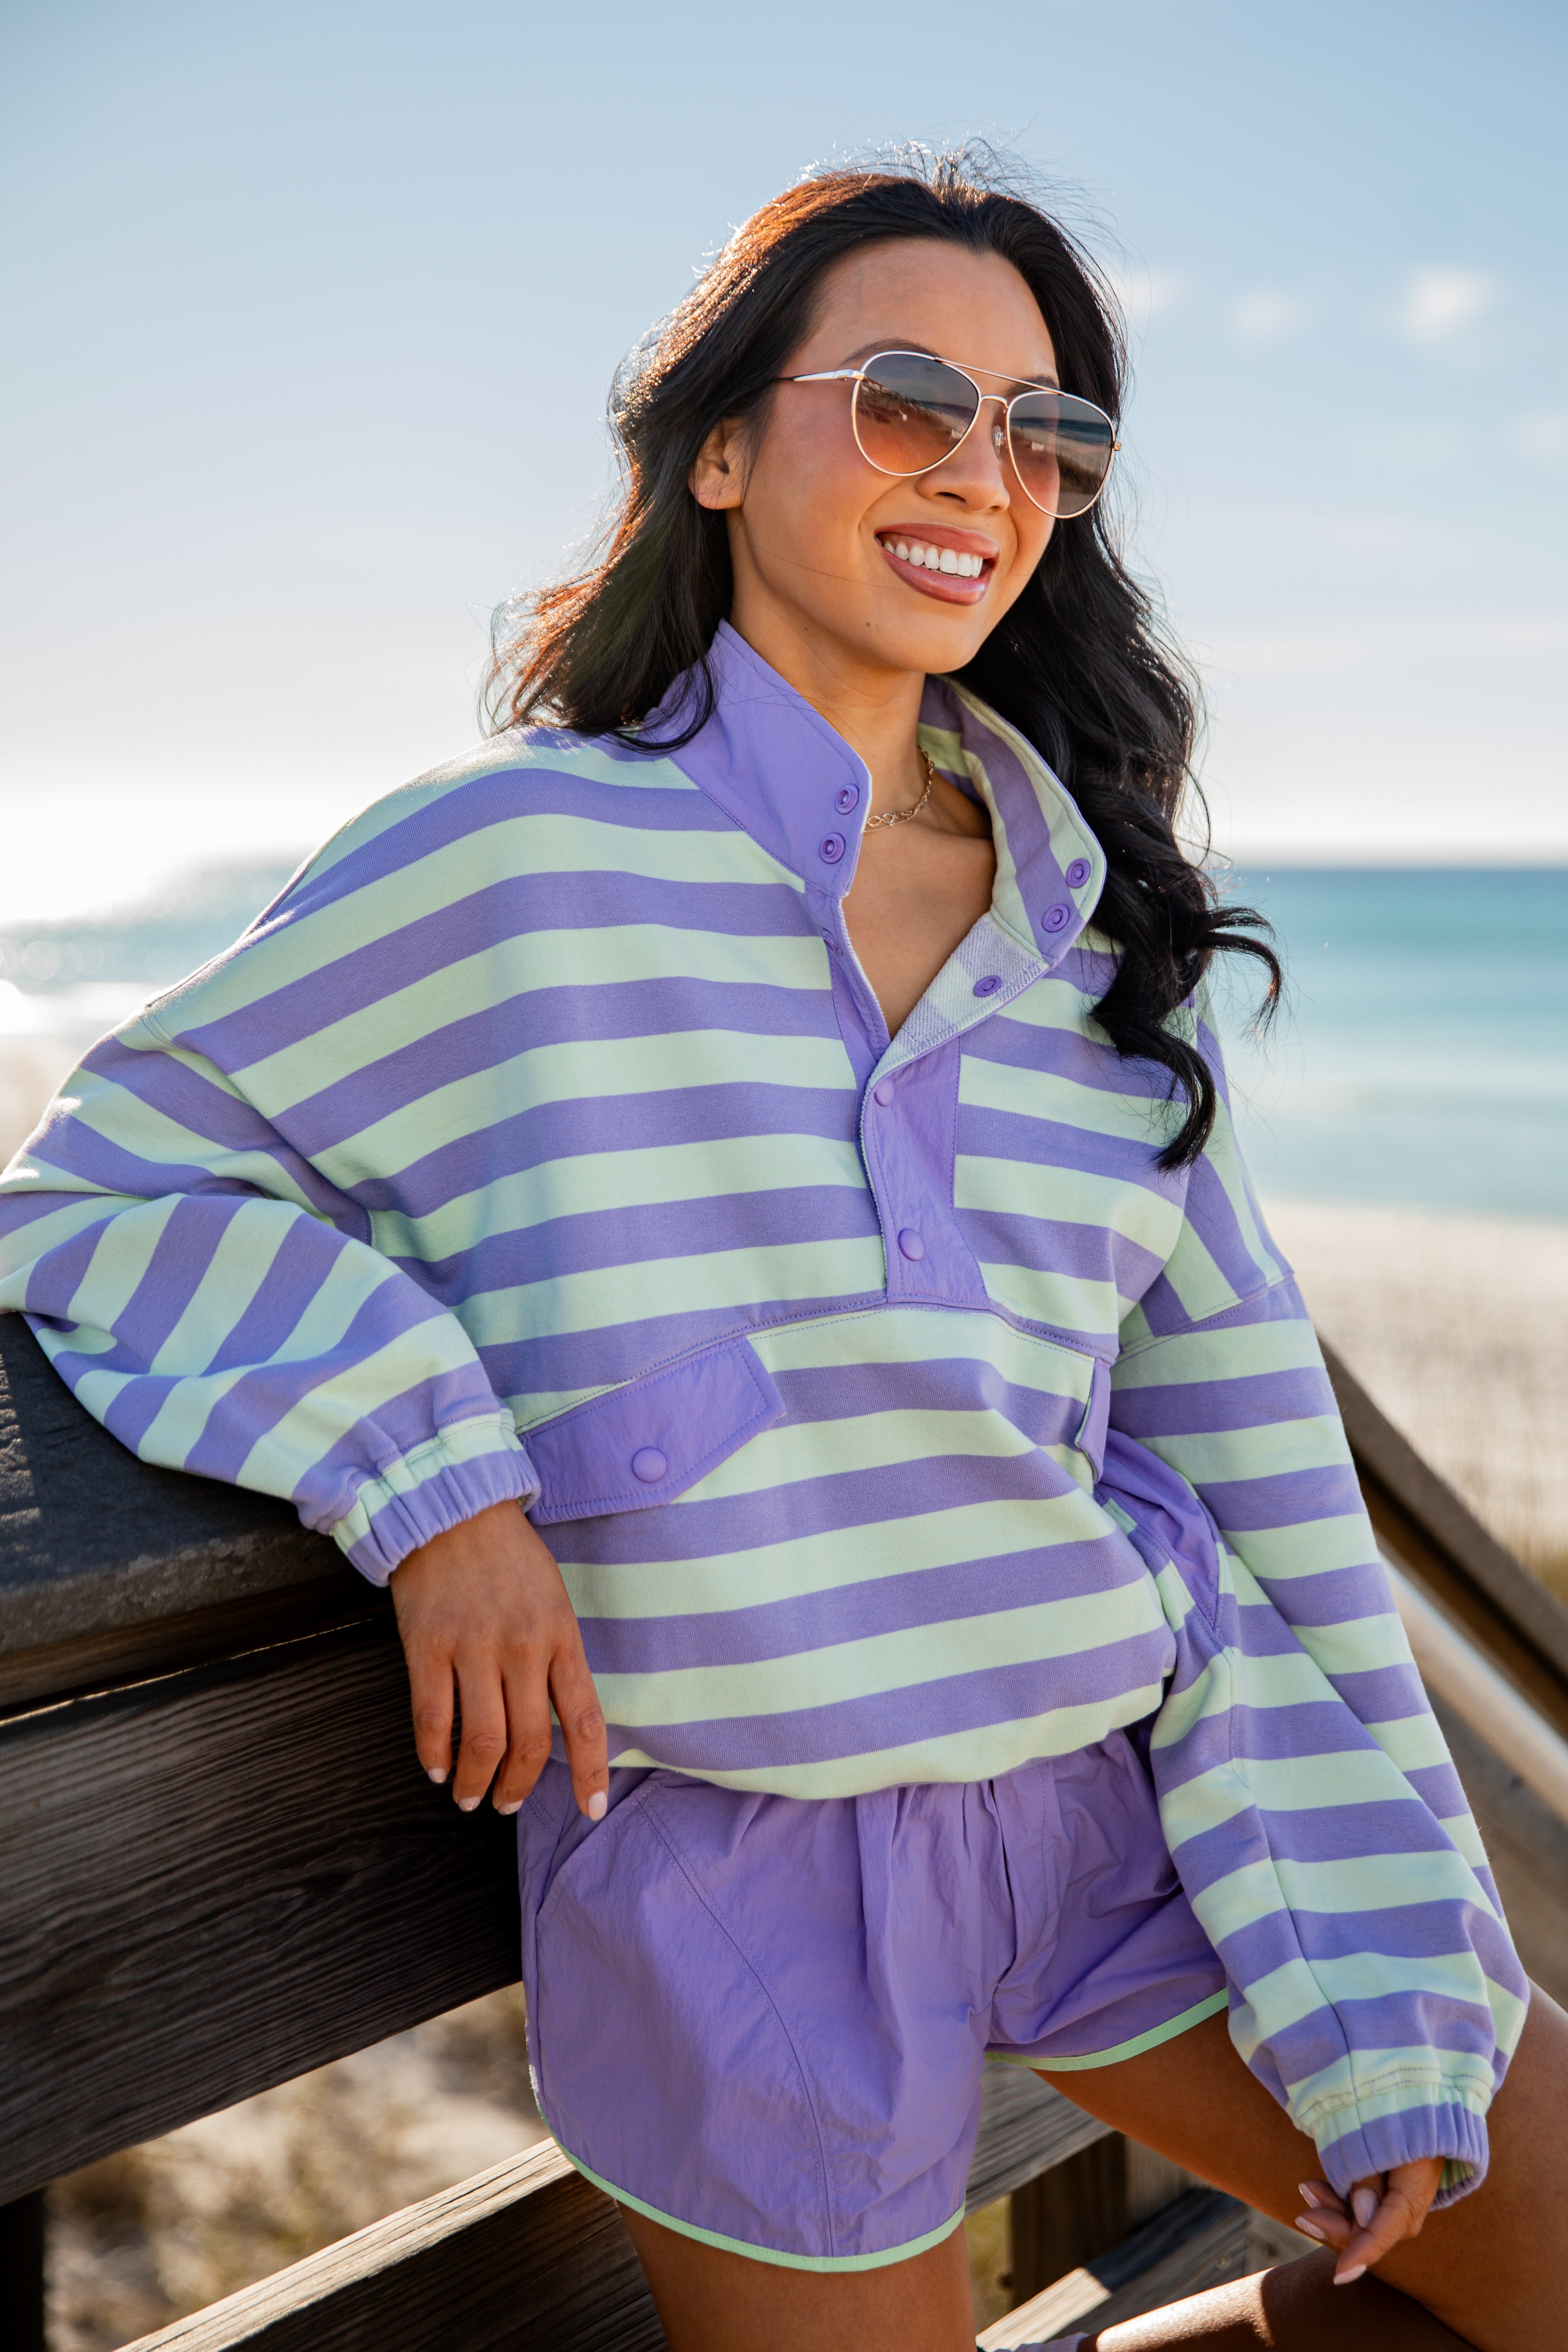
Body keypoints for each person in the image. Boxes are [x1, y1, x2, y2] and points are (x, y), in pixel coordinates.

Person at [2, 149, 1563, 2352]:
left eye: (1049, 436)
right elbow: (115, 1181)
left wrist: (1413, 1930)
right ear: (720, 446)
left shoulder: (1096, 935)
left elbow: (1266, 1461)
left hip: (1133, 1790)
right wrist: (433, 1475)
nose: (986, 476)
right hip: (739, 1875)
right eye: (910, 399)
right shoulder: (516, 858)